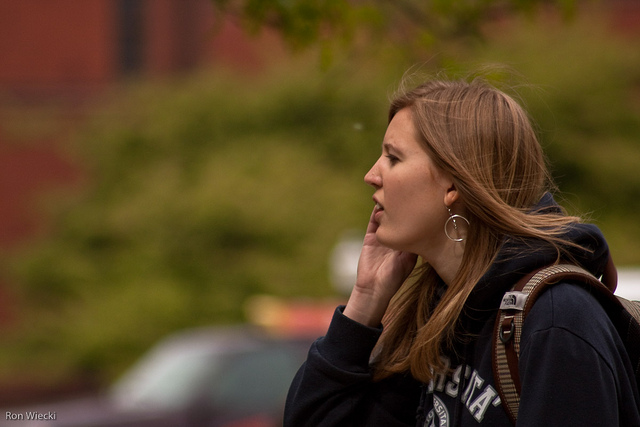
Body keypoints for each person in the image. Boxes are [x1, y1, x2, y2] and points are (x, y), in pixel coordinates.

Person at [283, 75, 640, 426]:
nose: (371, 175)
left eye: (393, 158)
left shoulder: (556, 320)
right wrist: (366, 298)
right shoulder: (436, 314)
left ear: (453, 184)